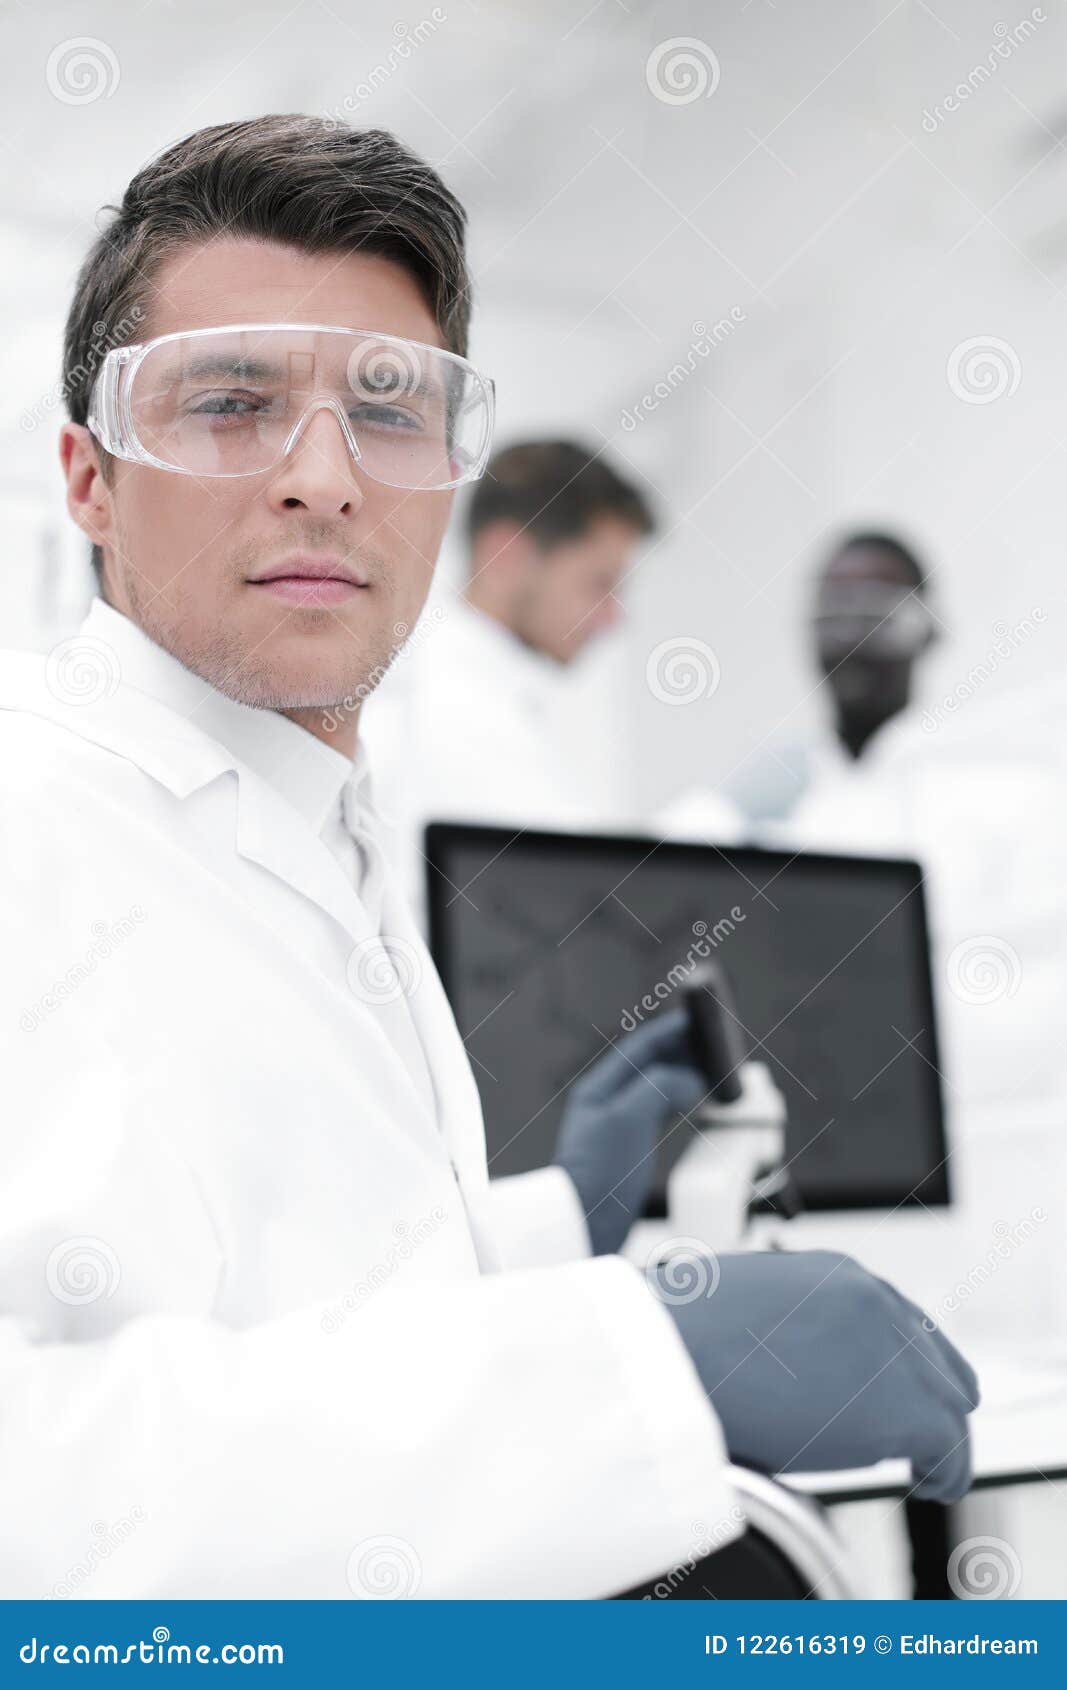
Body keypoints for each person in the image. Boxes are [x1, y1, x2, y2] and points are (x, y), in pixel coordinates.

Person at [0, 116, 977, 1600]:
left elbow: (288, 1311)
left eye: (388, 409)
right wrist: (628, 1373)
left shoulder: (305, 818)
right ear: (87, 479)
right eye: (231, 401)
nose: (323, 475)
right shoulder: (36, 823)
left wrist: (534, 1229)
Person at [360, 438, 656, 907]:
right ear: (506, 556)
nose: (613, 616)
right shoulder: (436, 708)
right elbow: (581, 896)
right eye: (599, 583)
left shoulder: (513, 694)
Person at [723, 530, 940, 826]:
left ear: (928, 632)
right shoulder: (760, 796)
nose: (850, 640)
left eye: (874, 619)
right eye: (832, 617)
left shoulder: (964, 787)